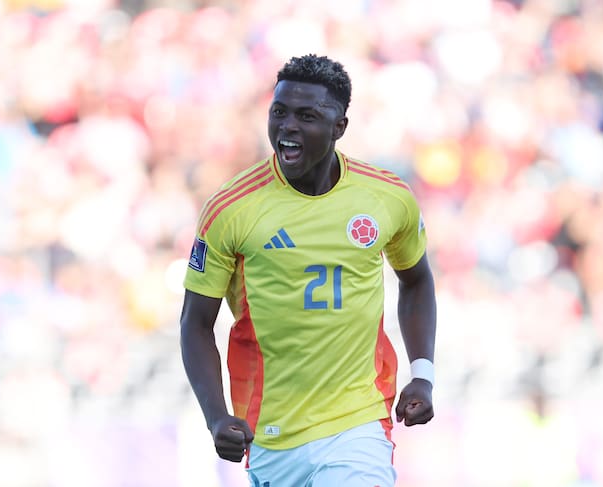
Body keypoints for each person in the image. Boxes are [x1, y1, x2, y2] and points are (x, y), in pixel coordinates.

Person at [180, 54, 437, 487]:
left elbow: (416, 279)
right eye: (279, 112)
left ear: (340, 127)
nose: (288, 127)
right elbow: (195, 322)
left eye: (306, 116)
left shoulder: (387, 198)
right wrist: (216, 416)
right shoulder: (232, 209)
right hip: (272, 434)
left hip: (358, 420)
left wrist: (423, 374)